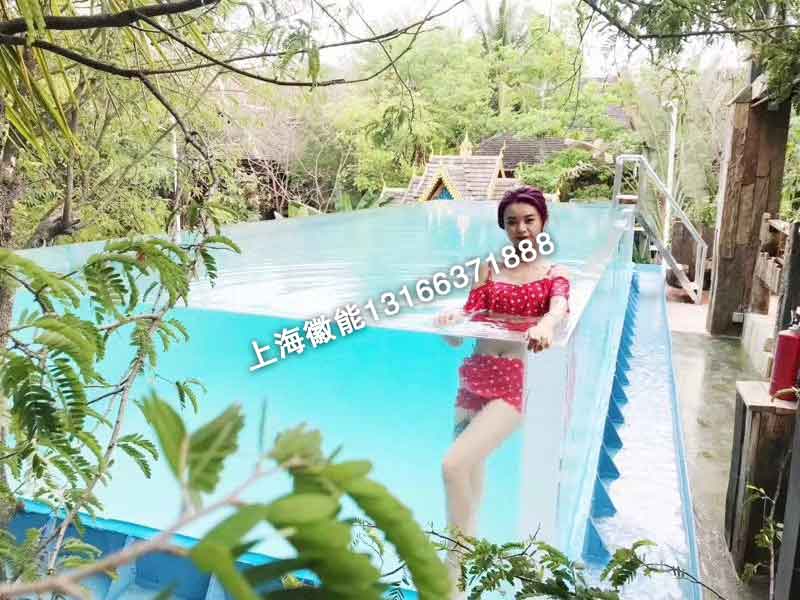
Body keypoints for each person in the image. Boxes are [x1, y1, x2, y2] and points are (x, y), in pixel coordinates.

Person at [433, 186, 570, 599]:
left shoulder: (554, 274)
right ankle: (465, 565)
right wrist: (449, 322)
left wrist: (545, 326)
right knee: (470, 472)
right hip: (474, 377)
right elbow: (465, 324)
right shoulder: (488, 270)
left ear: (543, 222)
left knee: (452, 466)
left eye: (528, 220)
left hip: (514, 383)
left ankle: (453, 565)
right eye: (512, 222)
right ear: (503, 227)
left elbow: (558, 309)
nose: (521, 228)